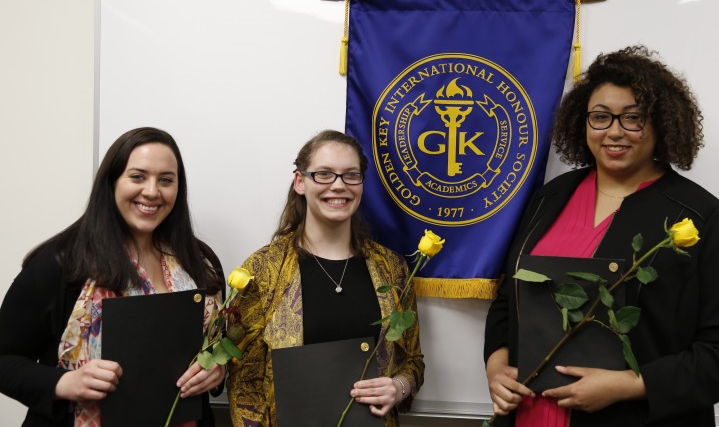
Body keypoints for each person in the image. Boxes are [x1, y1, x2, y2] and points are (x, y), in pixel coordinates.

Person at [484, 46, 719, 426]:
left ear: (661, 123)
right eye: (600, 117)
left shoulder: (700, 219)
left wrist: (629, 384)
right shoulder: (550, 197)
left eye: (633, 118)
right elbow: (508, 298)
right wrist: (497, 365)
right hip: (529, 414)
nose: (614, 131)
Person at [0, 127, 225, 426]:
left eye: (166, 180)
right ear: (112, 182)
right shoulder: (62, 262)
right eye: (137, 176)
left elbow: (215, 349)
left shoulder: (200, 262)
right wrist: (64, 383)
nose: (152, 191)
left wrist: (217, 371)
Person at [226, 129, 424, 427]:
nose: (339, 185)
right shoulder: (262, 269)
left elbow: (413, 362)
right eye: (324, 174)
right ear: (300, 182)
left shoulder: (392, 268)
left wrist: (399, 388)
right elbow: (244, 382)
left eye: (350, 175)